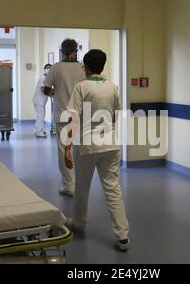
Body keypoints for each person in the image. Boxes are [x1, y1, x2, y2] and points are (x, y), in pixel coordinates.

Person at [63, 49, 130, 252]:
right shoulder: (113, 87)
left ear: (87, 67)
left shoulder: (81, 87)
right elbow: (116, 115)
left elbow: (72, 118)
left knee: (82, 188)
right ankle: (123, 236)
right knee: (113, 189)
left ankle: (79, 223)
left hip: (87, 146)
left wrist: (66, 148)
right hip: (111, 145)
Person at [43, 39, 86, 197]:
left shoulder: (56, 67)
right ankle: (80, 184)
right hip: (79, 114)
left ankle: (69, 185)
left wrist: (55, 92)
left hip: (62, 113)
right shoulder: (83, 67)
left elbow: (46, 89)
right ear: (76, 50)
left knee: (63, 150)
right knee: (78, 149)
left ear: (62, 51)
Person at [32, 64, 52, 138]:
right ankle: (39, 132)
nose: (48, 69)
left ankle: (37, 130)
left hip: (38, 100)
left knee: (39, 115)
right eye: (47, 68)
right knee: (41, 115)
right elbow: (43, 89)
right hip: (39, 100)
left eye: (50, 68)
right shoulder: (43, 78)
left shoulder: (46, 78)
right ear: (44, 69)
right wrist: (52, 94)